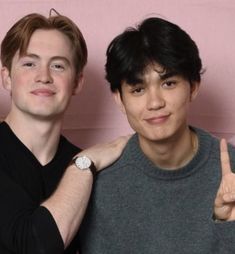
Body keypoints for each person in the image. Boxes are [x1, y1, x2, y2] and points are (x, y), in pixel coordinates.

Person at [78, 17, 235, 254]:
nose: (155, 103)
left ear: (193, 86)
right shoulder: (101, 185)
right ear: (119, 99)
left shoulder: (231, 172)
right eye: (138, 89)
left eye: (169, 83)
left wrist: (227, 226)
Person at [0, 11, 129, 254]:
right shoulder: (88, 164)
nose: (44, 77)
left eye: (58, 66)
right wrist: (85, 163)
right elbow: (33, 245)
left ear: (77, 82)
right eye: (30, 63)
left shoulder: (96, 168)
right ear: (7, 77)